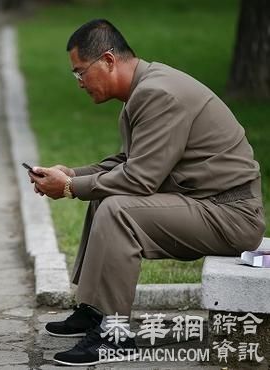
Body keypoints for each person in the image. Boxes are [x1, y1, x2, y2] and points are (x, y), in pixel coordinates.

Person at [28, 19, 266, 366]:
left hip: (230, 214)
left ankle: (116, 336)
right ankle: (95, 311)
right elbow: (128, 163)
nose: (79, 83)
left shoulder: (158, 93)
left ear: (108, 60)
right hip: (204, 203)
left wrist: (68, 188)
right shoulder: (144, 89)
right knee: (105, 200)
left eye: (80, 72)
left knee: (117, 209)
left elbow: (139, 179)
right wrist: (73, 175)